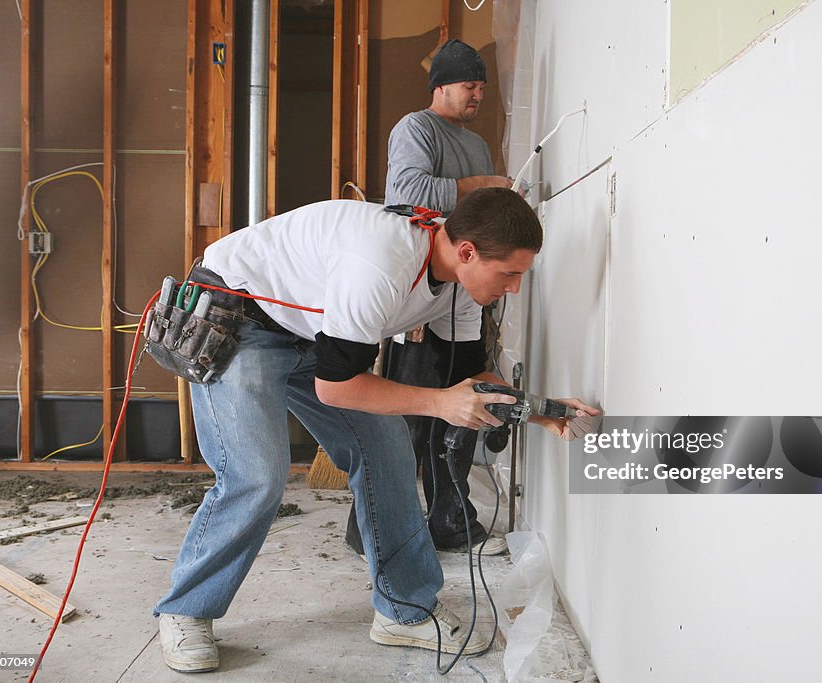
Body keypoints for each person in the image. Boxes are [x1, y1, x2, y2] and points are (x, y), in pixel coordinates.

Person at [153, 188, 599, 673]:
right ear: (467, 252)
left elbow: (467, 380)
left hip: (312, 331)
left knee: (388, 453)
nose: (514, 287)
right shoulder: (382, 265)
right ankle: (186, 609)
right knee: (256, 475)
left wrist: (540, 410)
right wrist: (439, 404)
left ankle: (404, 612)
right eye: (509, 273)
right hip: (238, 315)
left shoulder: (461, 290)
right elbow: (337, 388)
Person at [345, 39, 516, 560]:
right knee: (409, 423)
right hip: (422, 294)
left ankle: (450, 519)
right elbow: (405, 193)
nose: (477, 95)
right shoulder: (415, 129)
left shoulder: (478, 143)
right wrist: (482, 185)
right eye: (470, 86)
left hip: (467, 299)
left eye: (482, 87)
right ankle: (371, 528)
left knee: (463, 410)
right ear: (441, 85)